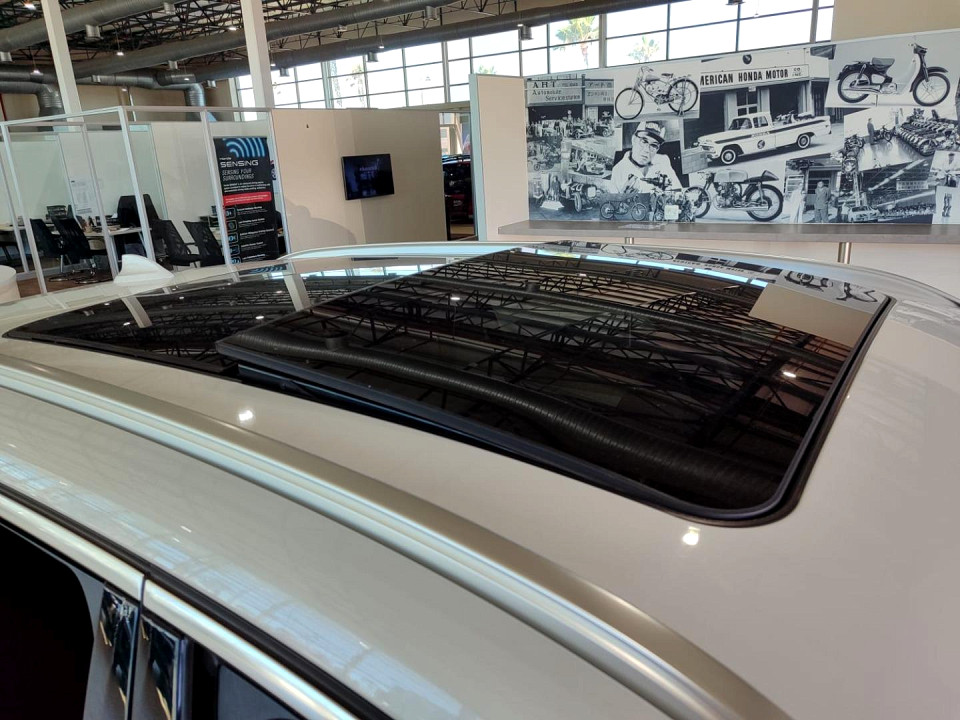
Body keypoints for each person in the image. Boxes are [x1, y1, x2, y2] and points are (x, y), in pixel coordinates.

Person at [611, 121, 681, 194]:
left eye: (654, 145)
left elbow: (679, 192)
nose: (647, 150)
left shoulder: (663, 161)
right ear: (633, 139)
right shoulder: (616, 172)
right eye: (644, 141)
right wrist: (623, 197)